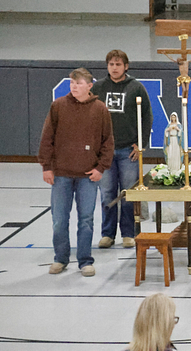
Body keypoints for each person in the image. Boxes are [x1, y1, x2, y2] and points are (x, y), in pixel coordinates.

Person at [38, 67, 114, 277]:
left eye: (78, 83)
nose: (74, 86)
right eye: (72, 83)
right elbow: (47, 137)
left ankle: (85, 261)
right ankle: (60, 259)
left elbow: (108, 141)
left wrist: (100, 168)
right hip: (61, 174)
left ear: (89, 86)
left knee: (86, 220)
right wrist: (47, 166)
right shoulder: (58, 106)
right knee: (59, 219)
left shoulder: (100, 109)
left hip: (88, 176)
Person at [93, 49, 152, 249]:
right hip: (105, 152)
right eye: (111, 64)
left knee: (128, 194)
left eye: (118, 64)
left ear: (126, 66)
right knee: (107, 194)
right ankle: (107, 234)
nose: (115, 68)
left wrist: (141, 144)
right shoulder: (98, 87)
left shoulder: (136, 87)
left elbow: (146, 116)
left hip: (128, 151)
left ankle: (128, 233)